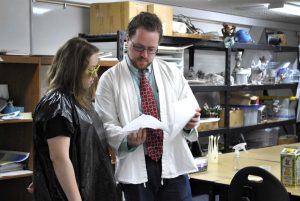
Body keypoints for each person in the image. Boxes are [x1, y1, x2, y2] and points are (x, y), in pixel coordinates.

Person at [95, 12, 201, 201]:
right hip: (136, 166)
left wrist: (190, 122)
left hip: (172, 164)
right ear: (127, 41)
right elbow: (105, 125)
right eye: (138, 47)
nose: (144, 55)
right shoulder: (109, 79)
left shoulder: (172, 72)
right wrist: (128, 139)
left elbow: (190, 106)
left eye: (151, 49)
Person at [32, 37, 117, 201]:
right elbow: (59, 158)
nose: (95, 75)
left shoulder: (81, 101)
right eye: (91, 69)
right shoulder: (57, 104)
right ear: (74, 69)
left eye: (96, 68)